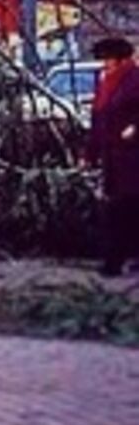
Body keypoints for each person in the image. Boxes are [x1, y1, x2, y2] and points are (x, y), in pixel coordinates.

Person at [83, 36, 139, 276]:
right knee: (119, 209)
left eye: (108, 59)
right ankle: (118, 259)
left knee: (124, 209)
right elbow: (98, 122)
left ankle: (115, 261)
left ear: (122, 60)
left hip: (133, 157)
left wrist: (135, 128)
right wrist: (89, 154)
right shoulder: (105, 83)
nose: (104, 64)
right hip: (113, 159)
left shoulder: (135, 80)